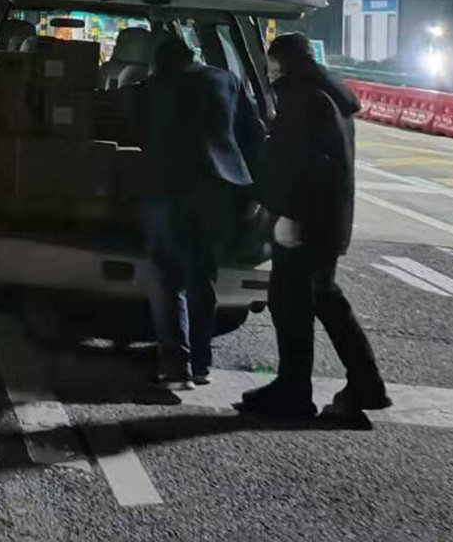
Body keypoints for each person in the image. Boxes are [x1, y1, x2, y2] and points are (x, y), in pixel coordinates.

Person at [239, 32, 388, 423]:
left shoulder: (304, 98)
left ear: (281, 61)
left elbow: (302, 163)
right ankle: (361, 384)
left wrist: (288, 214)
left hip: (304, 223)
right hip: (326, 223)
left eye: (272, 63)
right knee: (323, 301)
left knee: (292, 304)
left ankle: (296, 390)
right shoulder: (331, 95)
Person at [139, 34, 265, 390]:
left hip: (167, 190)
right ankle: (200, 364)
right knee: (201, 276)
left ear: (161, 63)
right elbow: (252, 135)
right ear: (192, 55)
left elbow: (136, 131)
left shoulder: (154, 87)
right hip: (217, 193)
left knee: (167, 279)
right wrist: (254, 193)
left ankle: (174, 366)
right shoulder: (227, 80)